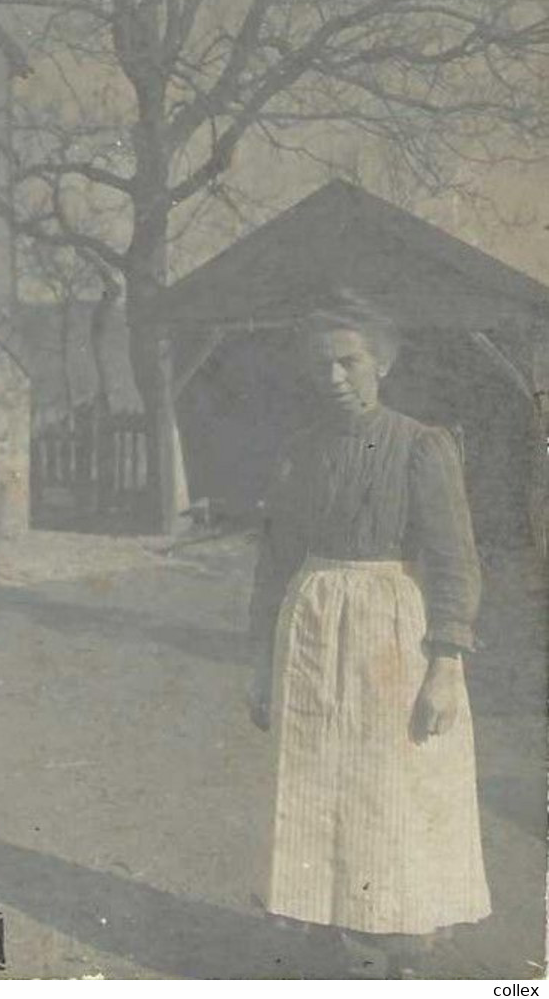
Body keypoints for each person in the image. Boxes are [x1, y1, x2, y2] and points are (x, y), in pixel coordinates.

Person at [248, 291, 491, 976]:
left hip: (390, 634)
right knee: (316, 779)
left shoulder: (421, 446)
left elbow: (454, 562)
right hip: (310, 629)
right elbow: (272, 563)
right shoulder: (301, 451)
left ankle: (398, 942)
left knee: (388, 784)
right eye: (320, 365)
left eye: (348, 361)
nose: (333, 377)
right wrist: (257, 664)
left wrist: (445, 662)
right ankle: (328, 930)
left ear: (380, 362)